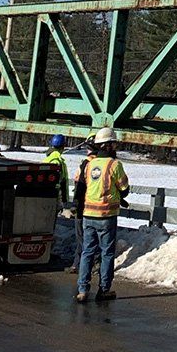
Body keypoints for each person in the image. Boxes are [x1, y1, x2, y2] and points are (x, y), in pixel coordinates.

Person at [73, 127, 130, 303]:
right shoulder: (115, 165)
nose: (116, 147)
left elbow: (83, 187)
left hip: (89, 215)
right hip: (106, 216)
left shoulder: (89, 165)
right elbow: (124, 189)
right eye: (114, 143)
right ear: (108, 145)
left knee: (87, 252)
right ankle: (104, 289)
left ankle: (82, 290)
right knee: (106, 254)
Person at [39, 135, 69, 269]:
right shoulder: (59, 161)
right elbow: (62, 184)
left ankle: (41, 253)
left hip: (43, 197)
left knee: (42, 226)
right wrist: (64, 202)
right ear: (63, 146)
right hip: (53, 198)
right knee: (49, 228)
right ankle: (45, 254)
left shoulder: (47, 159)